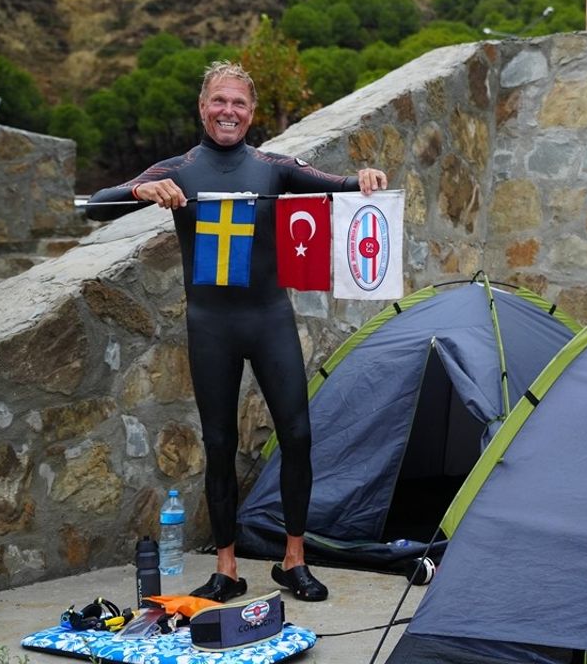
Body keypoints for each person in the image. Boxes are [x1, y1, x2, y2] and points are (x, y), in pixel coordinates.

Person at [86, 61, 387, 603]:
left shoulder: (272, 167)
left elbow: (338, 185)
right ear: (203, 107)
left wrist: (363, 179)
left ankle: (293, 560)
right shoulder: (176, 170)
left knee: (297, 436)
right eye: (219, 101)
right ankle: (227, 568)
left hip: (269, 320)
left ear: (251, 112)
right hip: (212, 326)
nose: (229, 111)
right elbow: (95, 207)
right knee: (220, 444)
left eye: (239, 103)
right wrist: (144, 191)